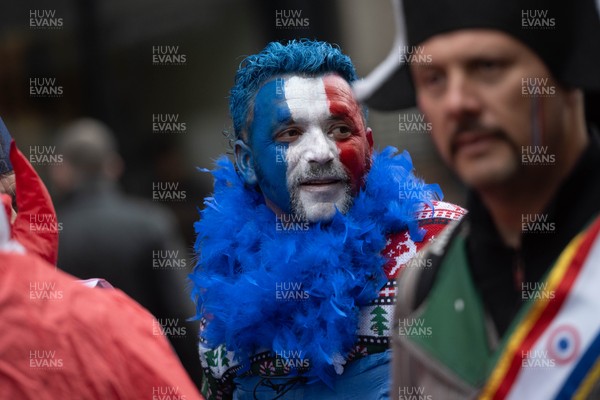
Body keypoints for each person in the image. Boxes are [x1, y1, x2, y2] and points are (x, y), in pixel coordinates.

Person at [189, 39, 466, 399]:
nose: (321, 153)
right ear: (246, 163)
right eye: (290, 134)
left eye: (340, 130)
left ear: (367, 145)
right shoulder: (223, 286)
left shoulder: (442, 243)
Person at [359, 0, 600, 398]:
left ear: (568, 73)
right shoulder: (422, 289)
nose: (457, 102)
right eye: (433, 78)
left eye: (488, 67)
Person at [0, 123, 203, 399]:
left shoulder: (55, 234)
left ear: (61, 172)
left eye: (12, 202)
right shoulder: (152, 222)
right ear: (114, 166)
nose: (10, 216)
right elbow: (185, 315)